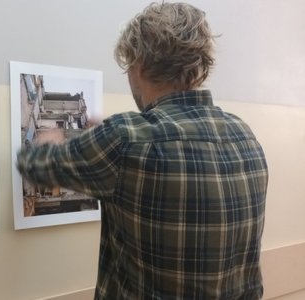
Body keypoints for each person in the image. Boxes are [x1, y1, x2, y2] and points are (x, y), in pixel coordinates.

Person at [16, 2, 268, 299]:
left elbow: (33, 165)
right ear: (199, 66)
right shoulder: (245, 136)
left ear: (139, 67)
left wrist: (52, 140)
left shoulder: (124, 140)